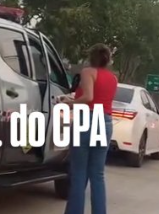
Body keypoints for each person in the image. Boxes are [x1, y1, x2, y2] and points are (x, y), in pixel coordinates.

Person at [60, 43, 118, 214]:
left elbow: (88, 97)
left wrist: (69, 103)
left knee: (79, 174)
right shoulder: (113, 78)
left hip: (86, 119)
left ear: (91, 57)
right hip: (105, 121)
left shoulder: (88, 72)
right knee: (98, 175)